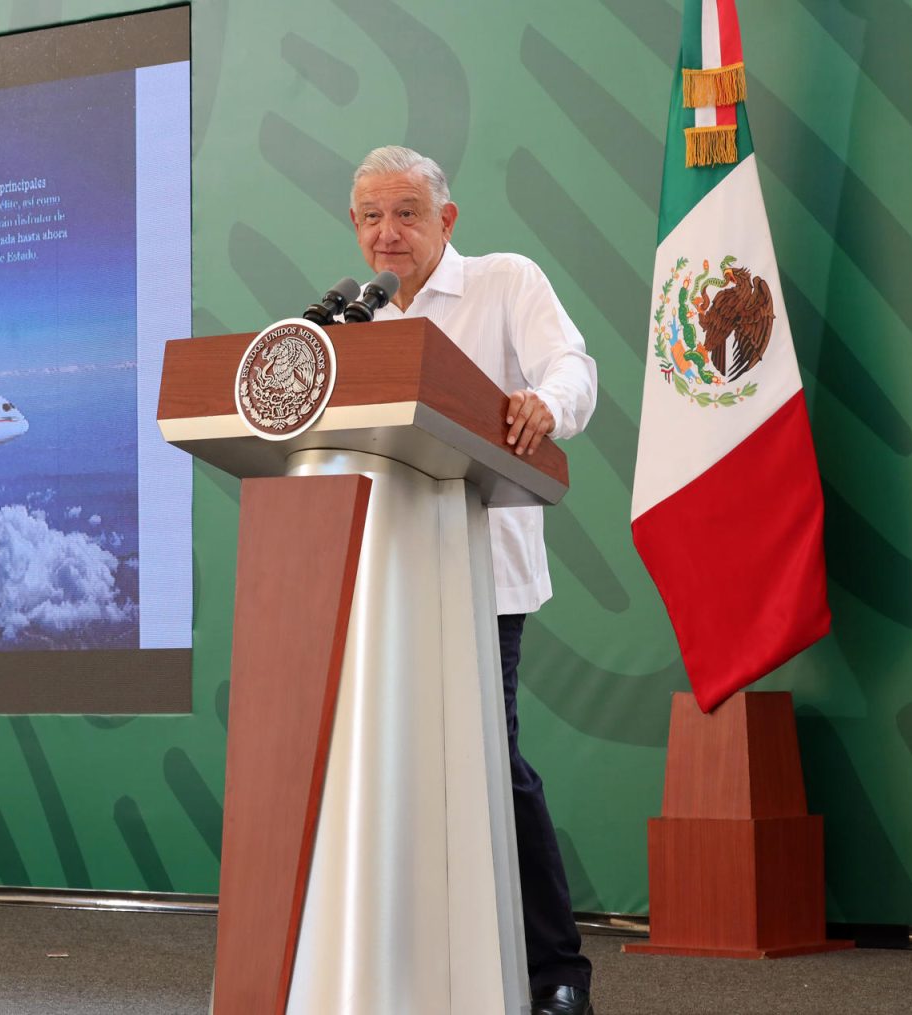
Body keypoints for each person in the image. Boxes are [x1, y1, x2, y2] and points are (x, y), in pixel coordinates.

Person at [348, 145, 598, 1015]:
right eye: (372, 216)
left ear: (445, 220)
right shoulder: (354, 323)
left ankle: (554, 974)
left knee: (492, 763)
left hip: (481, 573)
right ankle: (414, 967)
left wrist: (545, 405)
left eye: (406, 212)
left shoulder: (504, 281)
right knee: (393, 768)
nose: (388, 232)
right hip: (382, 581)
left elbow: (573, 367)